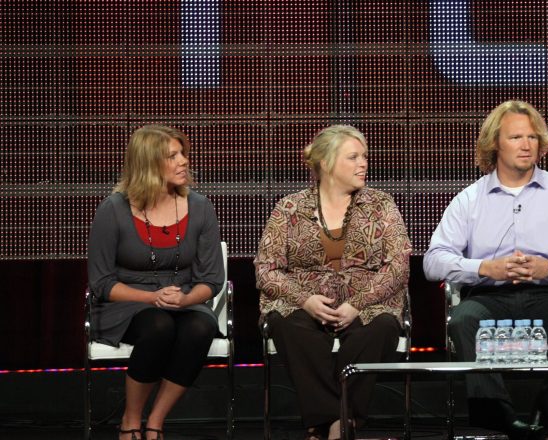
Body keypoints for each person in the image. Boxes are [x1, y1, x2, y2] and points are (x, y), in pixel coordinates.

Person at [424, 100, 548, 439]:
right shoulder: (470, 199)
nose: (526, 145)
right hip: (489, 295)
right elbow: (433, 260)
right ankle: (502, 417)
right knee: (463, 320)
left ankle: (544, 413)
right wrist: (486, 268)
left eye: (532, 137)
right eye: (516, 137)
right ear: (495, 143)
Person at [255, 125, 411, 440]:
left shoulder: (381, 205)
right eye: (353, 157)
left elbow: (398, 265)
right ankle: (337, 422)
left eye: (364, 156)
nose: (364, 163)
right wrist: (304, 300)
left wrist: (357, 304)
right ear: (326, 164)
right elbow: (266, 269)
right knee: (293, 325)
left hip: (368, 302)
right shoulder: (289, 208)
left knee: (378, 326)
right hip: (304, 302)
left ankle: (327, 425)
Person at [88, 125, 224, 440]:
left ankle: (156, 422)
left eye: (183, 153)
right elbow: (102, 282)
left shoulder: (201, 207)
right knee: (159, 326)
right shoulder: (113, 209)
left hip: (184, 299)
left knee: (200, 328)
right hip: (125, 303)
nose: (183, 161)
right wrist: (151, 298)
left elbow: (212, 279)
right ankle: (131, 420)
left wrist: (186, 300)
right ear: (148, 164)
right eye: (172, 156)